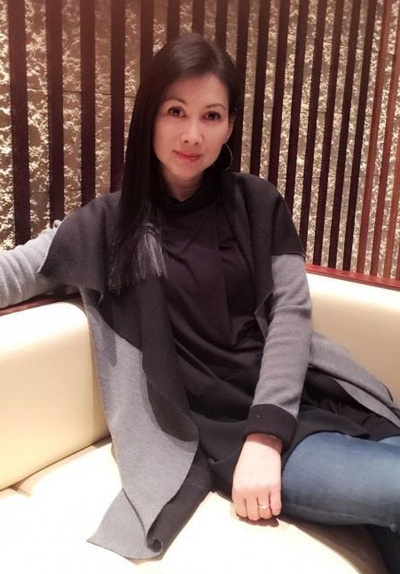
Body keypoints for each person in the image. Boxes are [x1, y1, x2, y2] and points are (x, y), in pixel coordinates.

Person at [1, 32, 400, 572]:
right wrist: (259, 442)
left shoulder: (257, 203)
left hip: (299, 400)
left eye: (211, 116)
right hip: (226, 431)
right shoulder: (108, 227)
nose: (193, 134)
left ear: (230, 125)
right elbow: (16, 273)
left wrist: (269, 426)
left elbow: (291, 311)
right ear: (149, 116)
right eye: (176, 111)